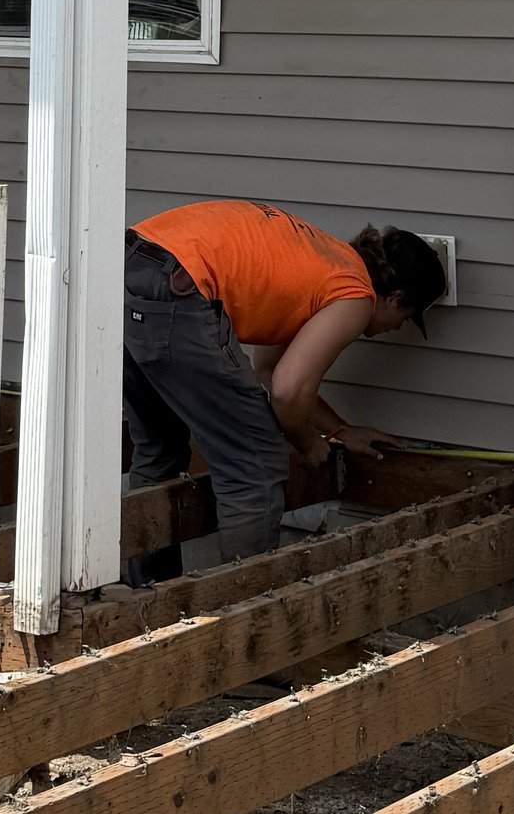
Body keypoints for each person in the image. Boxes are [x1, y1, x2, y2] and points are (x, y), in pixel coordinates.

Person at [120, 201, 448, 583]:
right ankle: (247, 615)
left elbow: (271, 370)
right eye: (404, 318)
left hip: (133, 265)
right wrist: (308, 444)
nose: (395, 328)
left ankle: (146, 599)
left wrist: (338, 430)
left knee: (159, 447)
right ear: (395, 297)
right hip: (180, 282)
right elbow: (289, 391)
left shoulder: (324, 261)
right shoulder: (356, 296)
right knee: (255, 464)